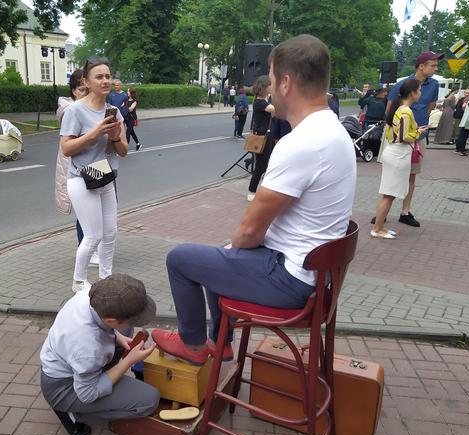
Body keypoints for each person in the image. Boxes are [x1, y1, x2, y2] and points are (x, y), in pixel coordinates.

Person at [151, 35, 356, 364]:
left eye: (273, 79)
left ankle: (193, 346)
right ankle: (224, 341)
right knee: (222, 254)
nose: (270, 88)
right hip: (311, 273)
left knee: (182, 259)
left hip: (290, 280)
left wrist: (236, 248)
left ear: (286, 83)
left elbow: (248, 231)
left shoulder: (302, 142)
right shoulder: (335, 130)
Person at [40, 274, 160, 435]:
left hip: (72, 362)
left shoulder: (90, 295)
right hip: (65, 388)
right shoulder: (88, 348)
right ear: (110, 320)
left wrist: (117, 335)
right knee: (149, 400)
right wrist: (128, 361)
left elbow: (105, 325)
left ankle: (102, 373)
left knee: (125, 329)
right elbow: (87, 394)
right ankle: (75, 413)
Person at [60, 57, 129, 293]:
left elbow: (124, 152)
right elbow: (66, 149)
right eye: (99, 76)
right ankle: (78, 281)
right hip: (80, 177)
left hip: (102, 173)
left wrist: (115, 136)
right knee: (93, 236)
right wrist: (95, 132)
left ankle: (105, 279)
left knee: (110, 233)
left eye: (108, 76)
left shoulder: (114, 111)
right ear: (87, 82)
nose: (105, 80)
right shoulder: (75, 110)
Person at [381, 50, 443, 229]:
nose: (435, 68)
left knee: (411, 175)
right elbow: (389, 109)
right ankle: (382, 213)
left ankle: (405, 212)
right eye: (432, 65)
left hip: (418, 137)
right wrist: (396, 129)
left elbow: (430, 107)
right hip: (398, 138)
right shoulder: (403, 84)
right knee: (391, 173)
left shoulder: (433, 85)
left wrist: (419, 126)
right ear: (421, 66)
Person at [371, 79, 425, 239]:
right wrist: (418, 133)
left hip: (395, 153)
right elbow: (403, 137)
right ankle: (377, 229)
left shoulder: (400, 109)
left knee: (389, 194)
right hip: (398, 155)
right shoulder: (405, 111)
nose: (420, 93)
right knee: (389, 194)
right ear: (413, 92)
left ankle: (379, 227)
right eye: (419, 90)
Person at [55, 70, 92, 248]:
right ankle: (85, 251)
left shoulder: (94, 107)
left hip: (96, 165)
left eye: (88, 89)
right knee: (84, 211)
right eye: (82, 89)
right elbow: (71, 146)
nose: (86, 93)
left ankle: (95, 249)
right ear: (74, 91)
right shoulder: (70, 111)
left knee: (97, 208)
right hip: (77, 168)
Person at [247, 75, 272, 201]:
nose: (271, 87)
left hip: (266, 137)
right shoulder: (260, 102)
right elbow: (275, 110)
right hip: (262, 138)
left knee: (266, 165)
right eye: (270, 85)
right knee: (261, 167)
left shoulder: (263, 100)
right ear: (264, 88)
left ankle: (260, 190)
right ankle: (251, 191)